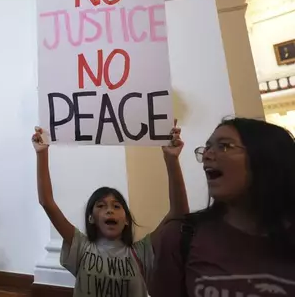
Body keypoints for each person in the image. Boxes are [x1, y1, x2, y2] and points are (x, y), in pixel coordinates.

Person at [31, 122, 188, 297]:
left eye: (116, 206)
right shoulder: (81, 247)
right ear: (91, 218)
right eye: (101, 206)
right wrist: (42, 153)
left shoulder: (141, 252)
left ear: (127, 219)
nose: (109, 210)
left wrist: (171, 159)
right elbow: (47, 202)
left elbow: (179, 214)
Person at [150, 118, 295, 296]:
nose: (207, 155)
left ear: (266, 158)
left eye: (224, 146)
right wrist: (171, 161)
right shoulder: (181, 238)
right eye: (208, 147)